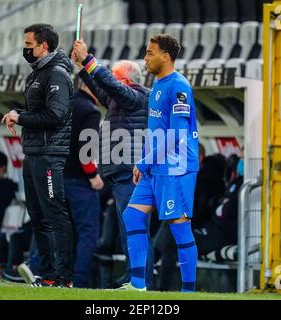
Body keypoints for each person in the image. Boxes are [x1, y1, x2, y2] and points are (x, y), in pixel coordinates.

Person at [118, 34, 200, 292]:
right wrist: (144, 162)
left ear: (166, 56)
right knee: (132, 215)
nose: (145, 58)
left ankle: (189, 292)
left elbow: (175, 135)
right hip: (155, 166)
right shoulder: (158, 86)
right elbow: (156, 130)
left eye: (150, 53)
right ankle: (138, 284)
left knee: (179, 227)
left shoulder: (179, 87)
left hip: (176, 168)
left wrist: (143, 162)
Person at [72, 39, 155, 289]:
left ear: (126, 81)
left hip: (132, 175)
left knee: (135, 230)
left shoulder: (136, 96)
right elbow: (101, 89)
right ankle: (134, 278)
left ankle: (140, 282)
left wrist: (90, 61)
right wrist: (82, 68)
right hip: (122, 175)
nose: (112, 84)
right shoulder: (120, 99)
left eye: (116, 79)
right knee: (127, 230)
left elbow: (107, 84)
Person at [2, 24, 74, 288]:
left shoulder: (56, 74)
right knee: (38, 216)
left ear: (44, 46)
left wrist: (20, 116)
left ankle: (63, 277)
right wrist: (17, 113)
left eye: (29, 46)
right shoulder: (37, 74)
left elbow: (55, 115)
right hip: (34, 152)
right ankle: (47, 274)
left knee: (55, 215)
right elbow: (38, 111)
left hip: (49, 154)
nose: (25, 50)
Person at [64, 83, 103, 288]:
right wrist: (94, 176)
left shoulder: (65, 104)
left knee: (61, 229)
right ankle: (78, 282)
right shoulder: (90, 111)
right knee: (88, 232)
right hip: (80, 182)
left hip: (58, 176)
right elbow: (86, 151)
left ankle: (44, 271)